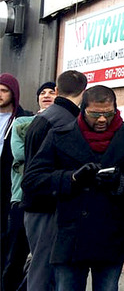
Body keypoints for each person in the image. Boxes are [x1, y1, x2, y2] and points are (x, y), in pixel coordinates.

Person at [22, 84, 124, 291]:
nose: (102, 119)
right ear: (83, 109)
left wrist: (122, 181)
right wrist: (72, 178)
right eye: (95, 114)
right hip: (70, 235)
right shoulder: (60, 135)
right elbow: (32, 179)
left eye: (108, 114)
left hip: (111, 233)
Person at [22, 71, 87, 291]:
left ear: (57, 90)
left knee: (41, 269)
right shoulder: (68, 121)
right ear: (84, 92)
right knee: (44, 272)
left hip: (36, 205)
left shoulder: (44, 117)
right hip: (50, 207)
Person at [4, 82, 56, 290]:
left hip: (52, 200)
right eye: (42, 93)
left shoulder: (67, 123)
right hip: (22, 198)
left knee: (46, 261)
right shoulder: (22, 122)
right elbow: (20, 154)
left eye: (52, 92)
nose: (46, 95)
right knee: (15, 255)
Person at [0, 73, 32, 280]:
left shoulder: (23, 119)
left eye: (3, 91)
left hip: (9, 187)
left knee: (8, 241)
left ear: (14, 93)